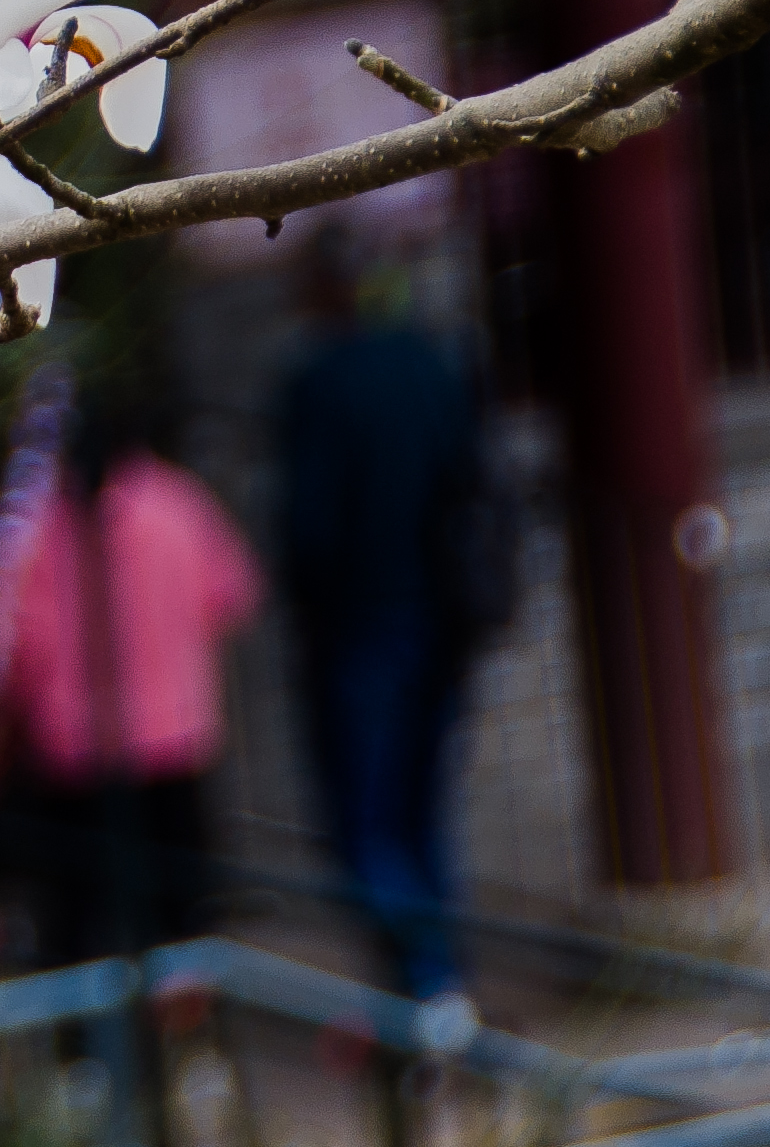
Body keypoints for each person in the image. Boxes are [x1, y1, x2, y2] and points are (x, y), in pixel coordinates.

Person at [268, 219, 494, 1003]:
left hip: (360, 630)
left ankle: (427, 989)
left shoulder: (319, 383)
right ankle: (443, 985)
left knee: (365, 826)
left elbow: (311, 527)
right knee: (423, 809)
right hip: (442, 621)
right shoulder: (434, 361)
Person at [0, 385, 263, 961]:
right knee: (182, 917)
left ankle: (92, 1049)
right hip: (175, 739)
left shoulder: (28, 529)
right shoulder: (178, 502)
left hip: (75, 755)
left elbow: (4, 650)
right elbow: (233, 594)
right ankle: (190, 1043)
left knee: (81, 924)